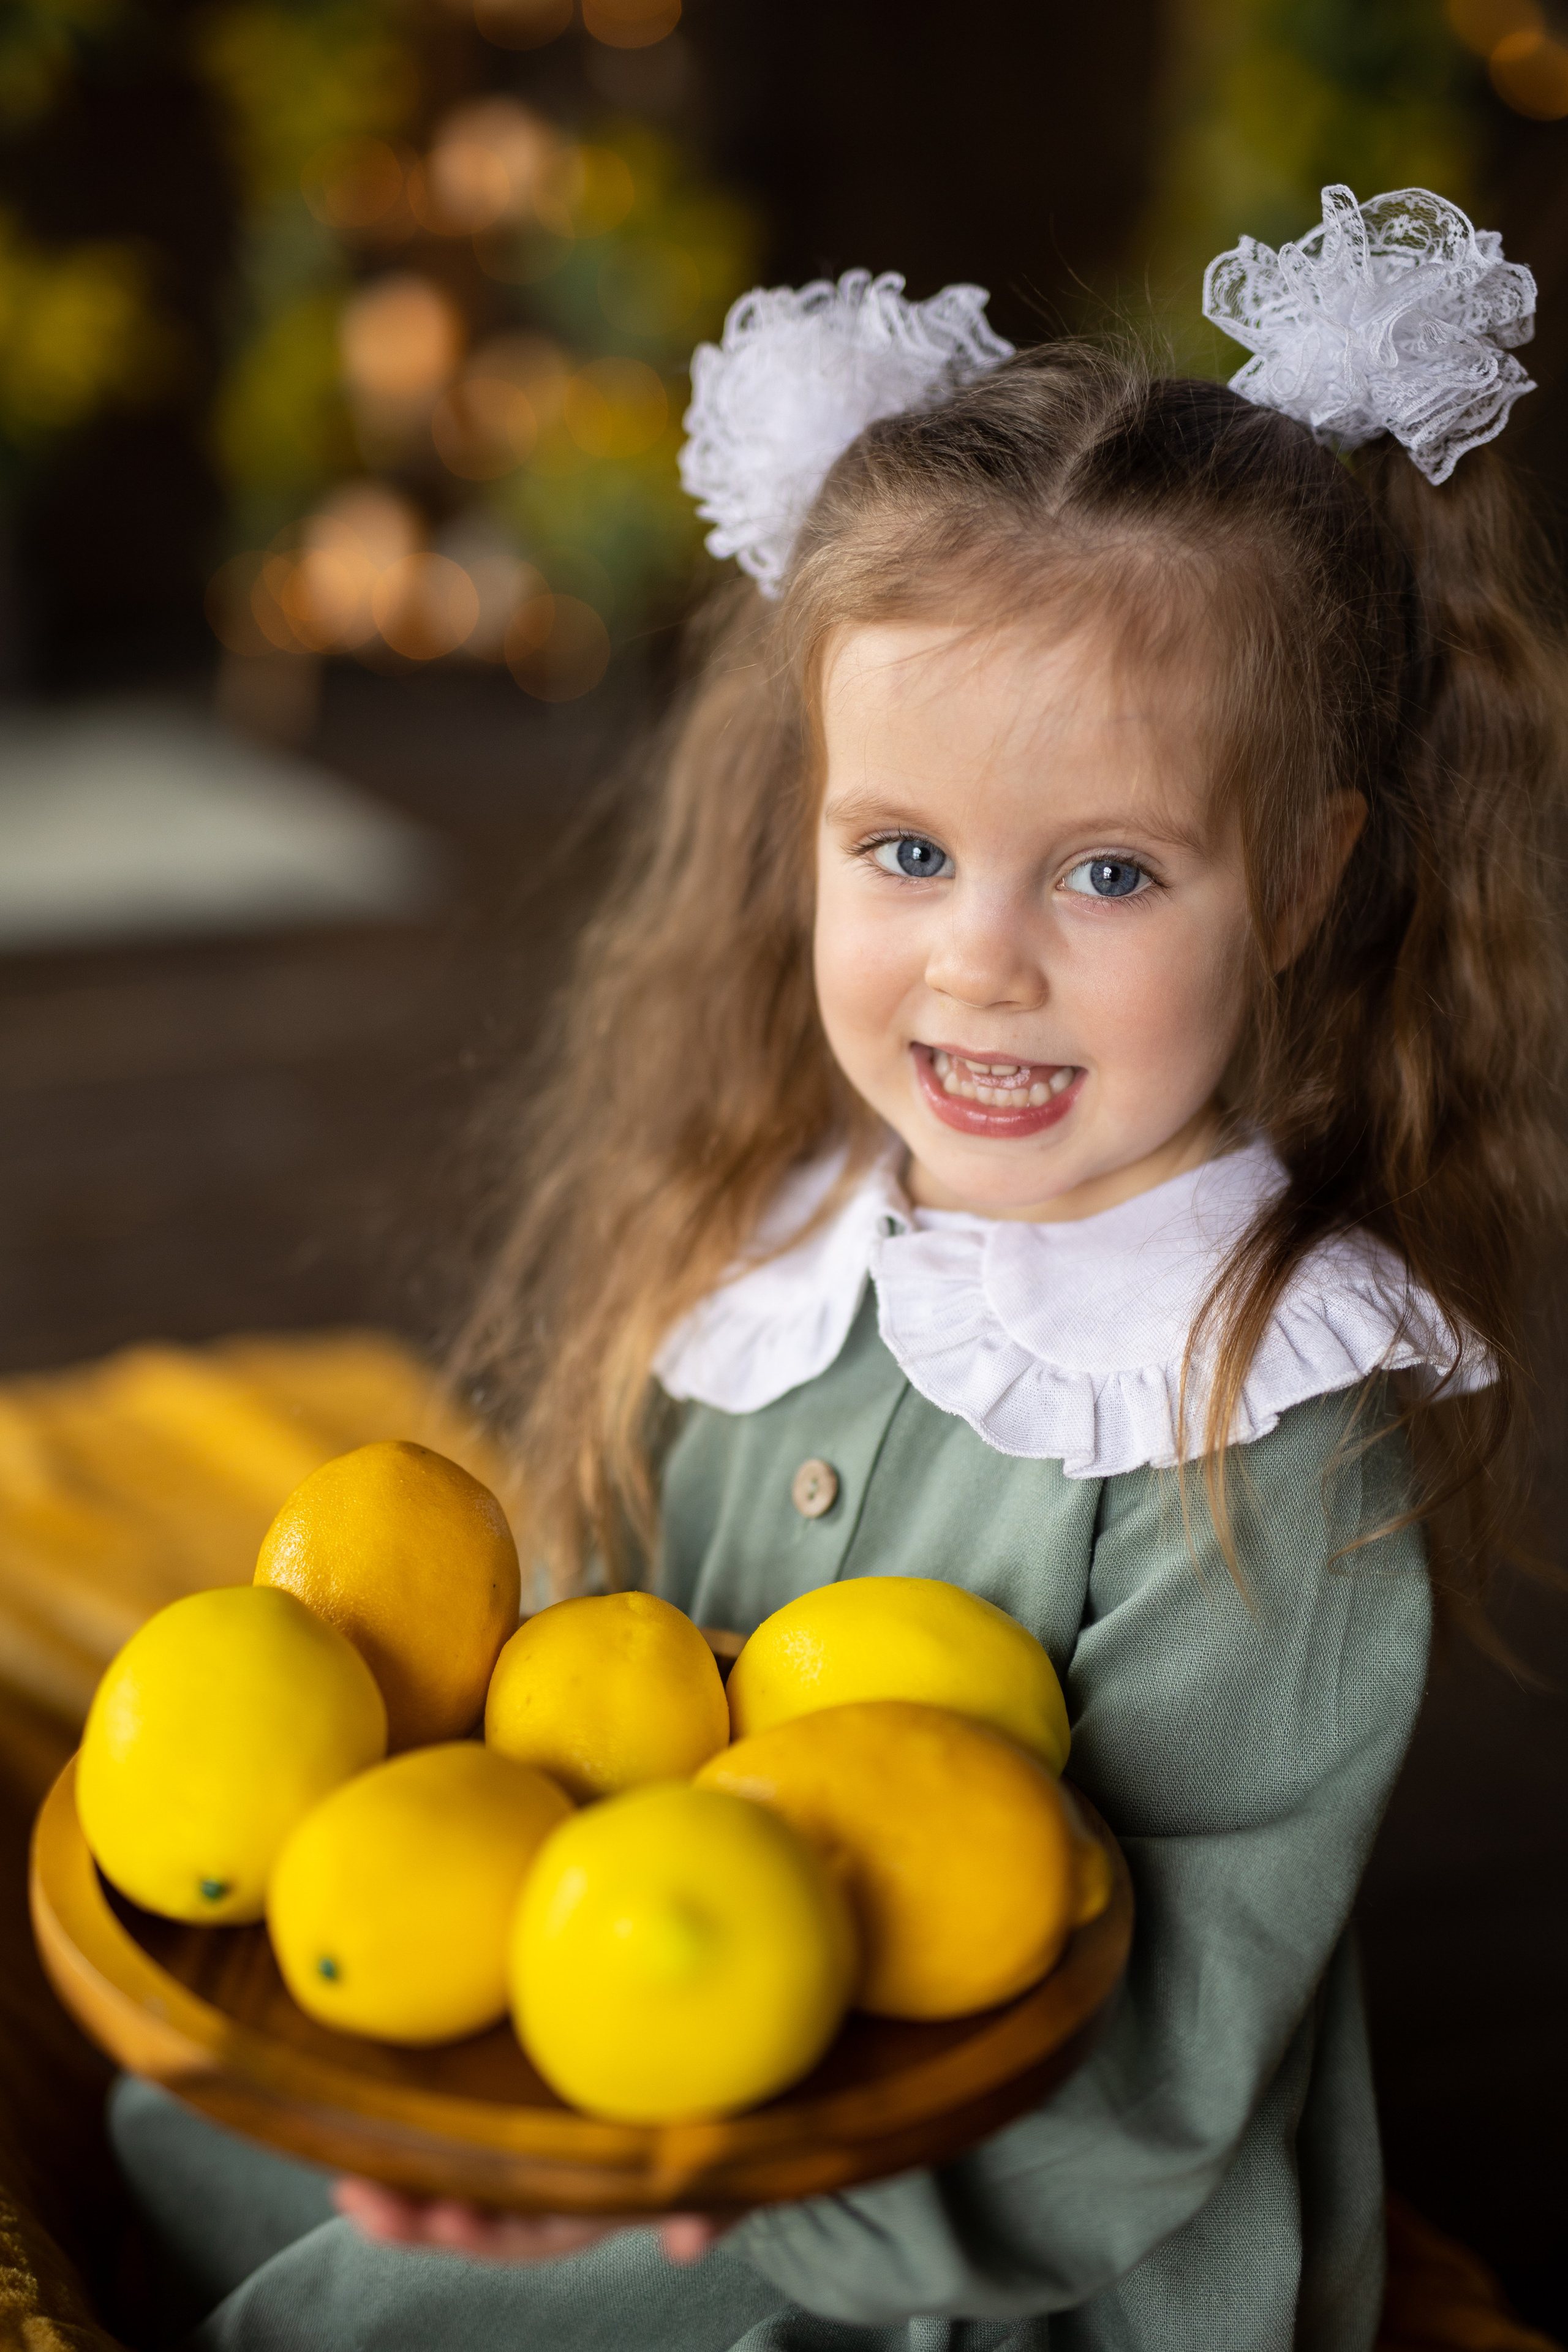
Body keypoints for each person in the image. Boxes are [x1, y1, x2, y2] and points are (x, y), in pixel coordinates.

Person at [110, 184, 1566, 2351]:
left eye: (1107, 870)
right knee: (178, 2133)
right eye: (904, 852)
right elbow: (579, 1704)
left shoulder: (1263, 1417)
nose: (981, 960)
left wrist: (660, 2198)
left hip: (977, 2224)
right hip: (669, 2015)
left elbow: (1150, 2080)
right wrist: (511, 2056)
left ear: (1299, 881)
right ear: (807, 821)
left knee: (319, 2329)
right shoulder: (780, 1236)